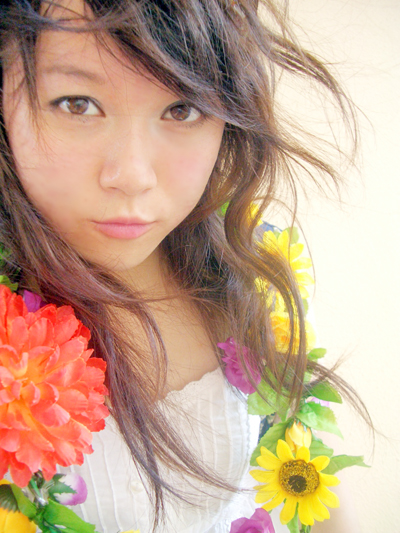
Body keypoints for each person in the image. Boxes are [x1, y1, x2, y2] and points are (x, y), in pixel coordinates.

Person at [0, 0, 366, 531]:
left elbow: (316, 486)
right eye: (77, 104)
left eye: (182, 109)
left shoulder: (238, 270)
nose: (132, 176)